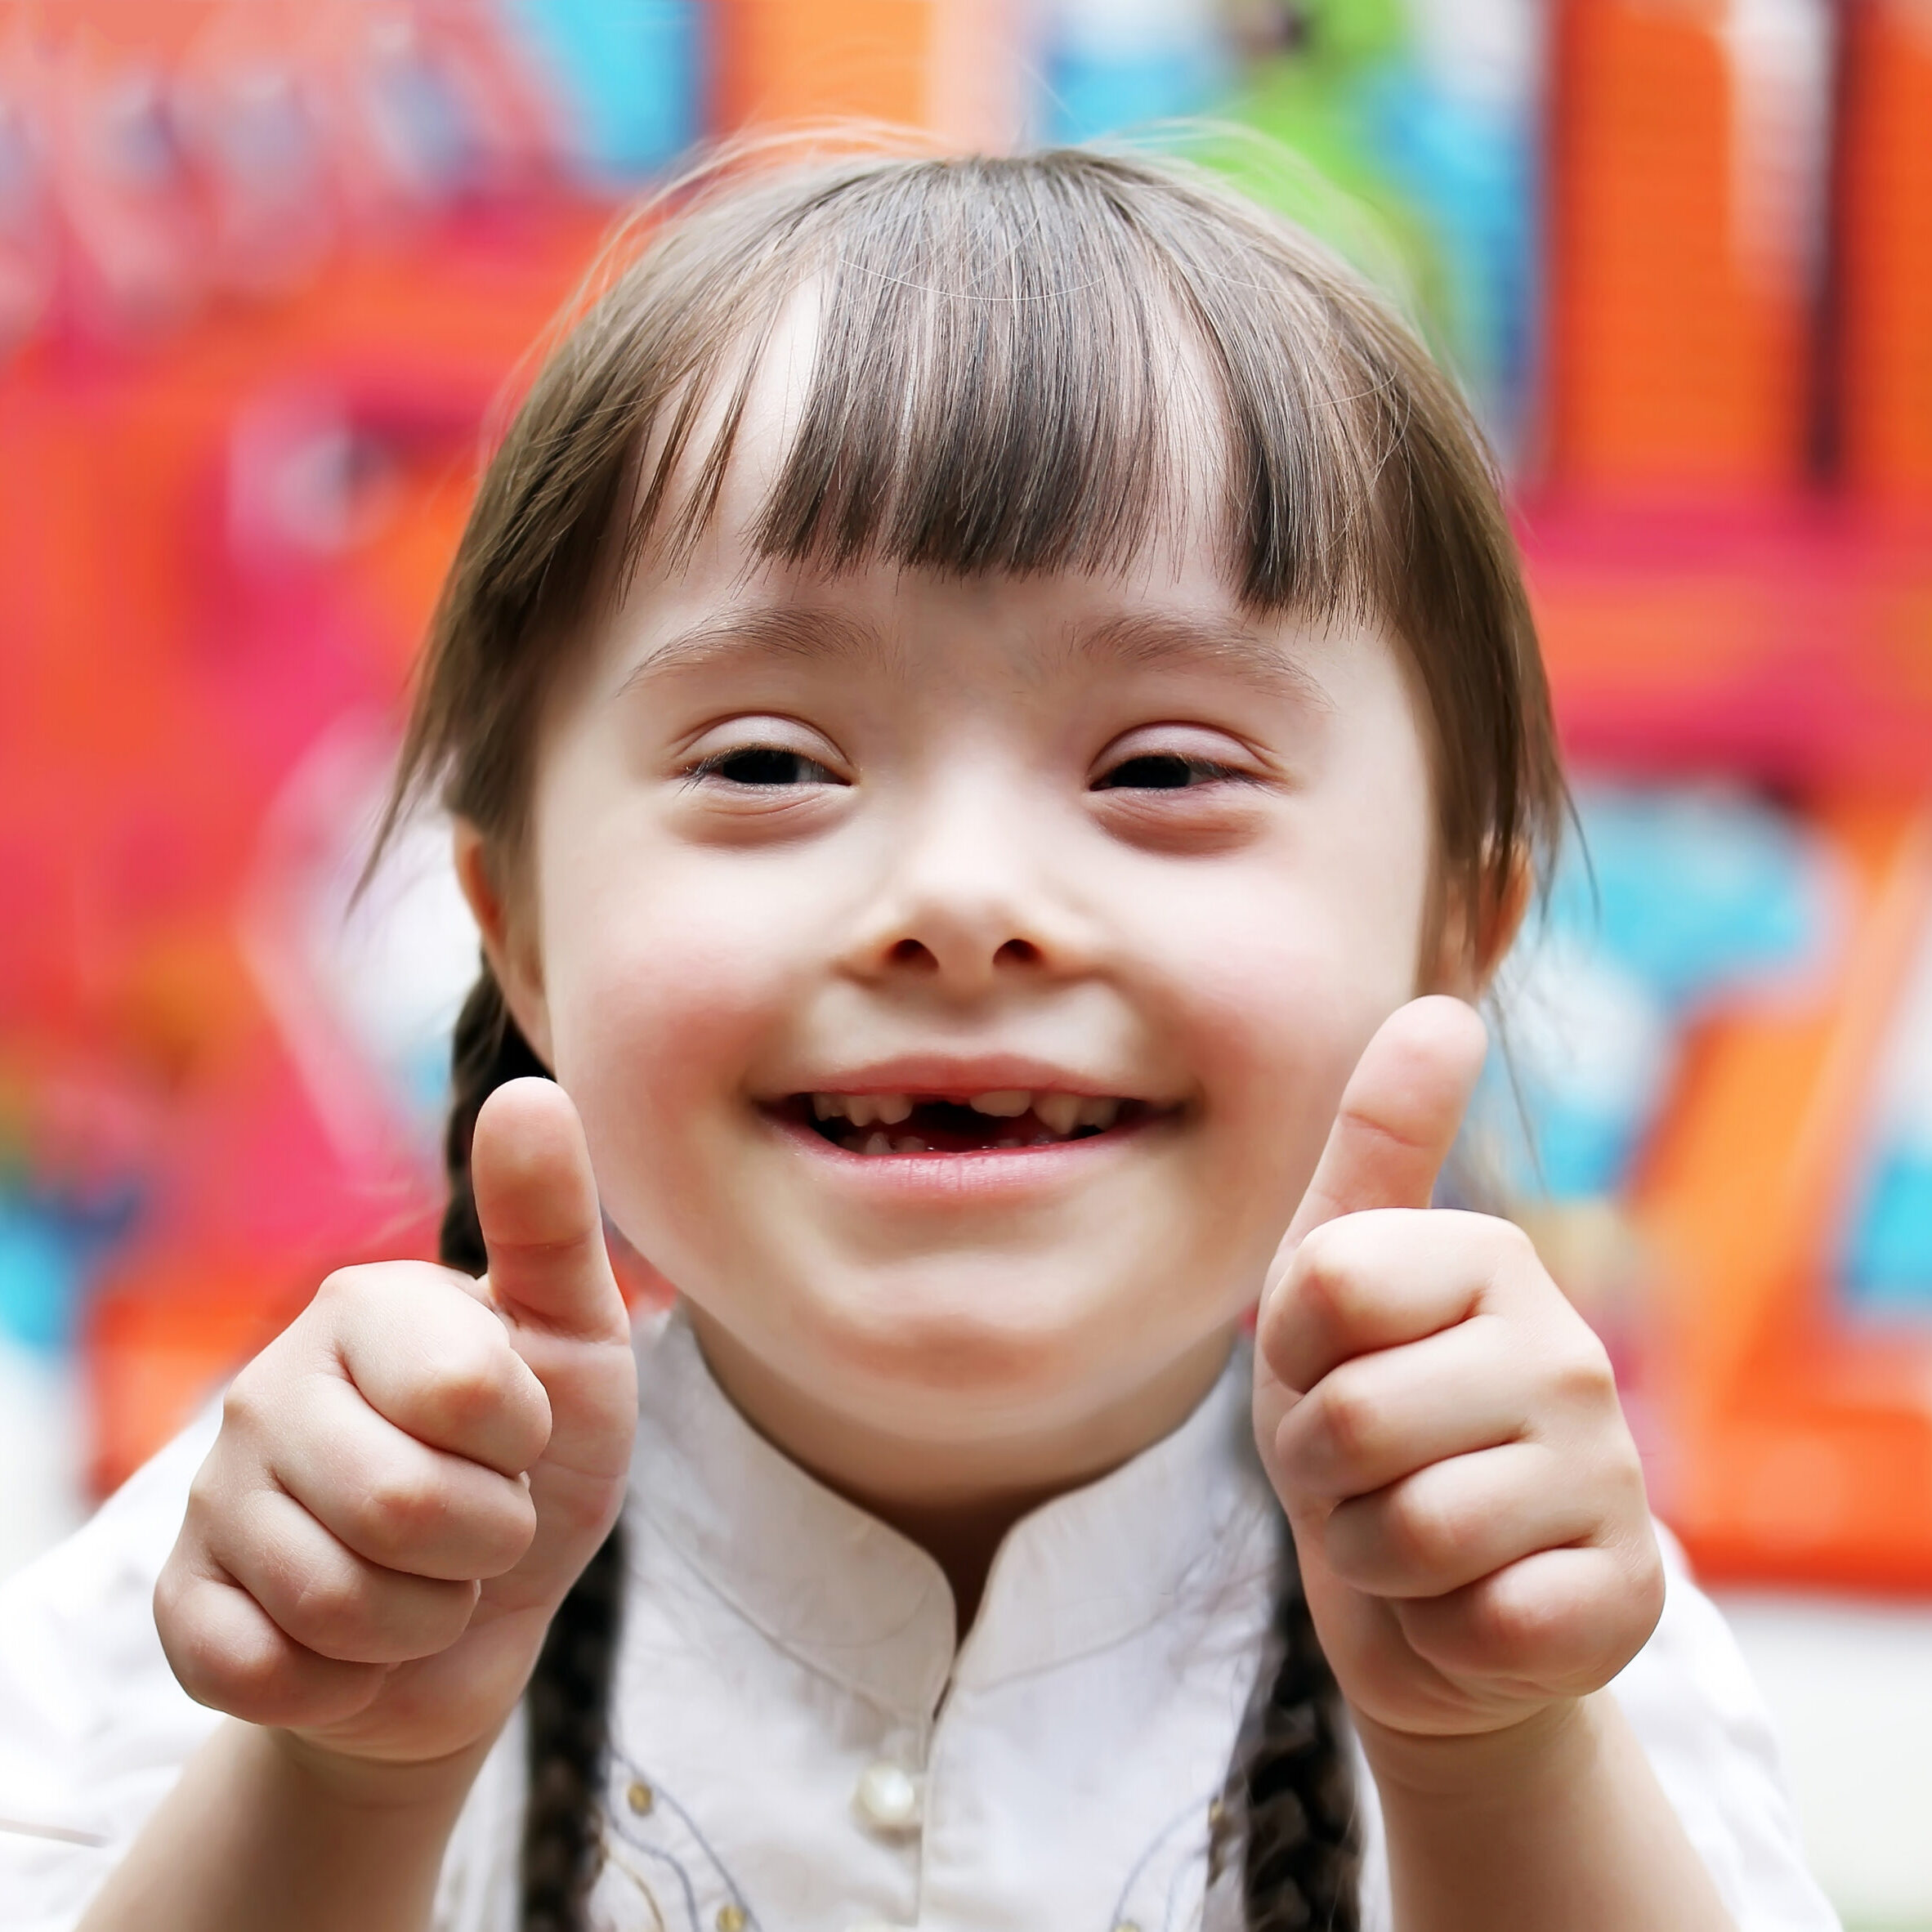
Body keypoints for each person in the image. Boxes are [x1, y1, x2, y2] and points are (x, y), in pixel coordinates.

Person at [0, 140, 1838, 1932]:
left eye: (1166, 768)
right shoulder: (294, 1560)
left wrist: (1498, 1766)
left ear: (1455, 933)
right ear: (521, 928)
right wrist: (341, 1779)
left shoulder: (1563, 1630)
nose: (962, 895)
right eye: (771, 764)